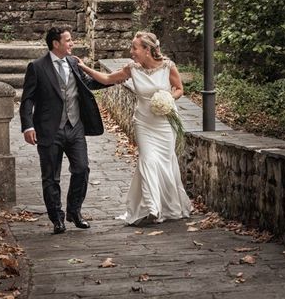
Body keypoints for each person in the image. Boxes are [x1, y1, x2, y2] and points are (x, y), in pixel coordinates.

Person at [74, 31, 191, 225]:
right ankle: (152, 207)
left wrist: (169, 98)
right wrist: (84, 67)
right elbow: (106, 79)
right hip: (143, 123)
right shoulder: (132, 69)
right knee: (148, 159)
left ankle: (166, 204)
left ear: (147, 50)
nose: (131, 51)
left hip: (164, 123)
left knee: (163, 161)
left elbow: (179, 89)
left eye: (134, 48)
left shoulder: (168, 66)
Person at [19, 26, 109, 234]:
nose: (72, 43)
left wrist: (117, 78)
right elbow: (27, 99)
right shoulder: (37, 67)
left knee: (82, 168)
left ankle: (74, 212)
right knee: (51, 176)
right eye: (68, 40)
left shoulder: (73, 63)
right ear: (56, 44)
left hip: (75, 127)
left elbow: (89, 83)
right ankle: (57, 218)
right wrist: (28, 126)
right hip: (49, 130)